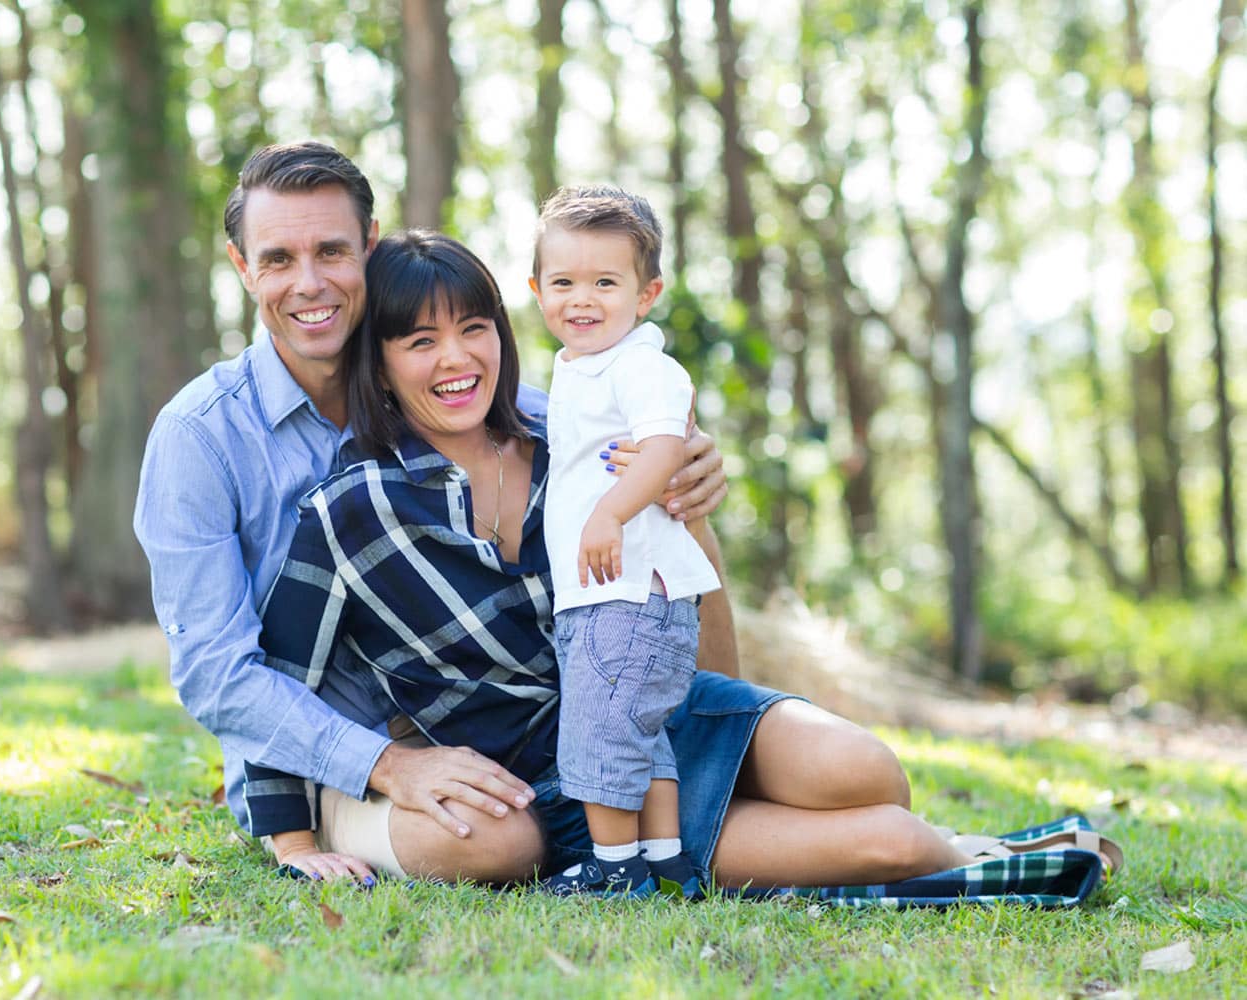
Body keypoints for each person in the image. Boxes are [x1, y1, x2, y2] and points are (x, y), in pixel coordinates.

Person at [247, 227, 983, 888]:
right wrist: (291, 840)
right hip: (578, 785)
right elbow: (280, 681)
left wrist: (689, 501)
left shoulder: (574, 443)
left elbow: (691, 610)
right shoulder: (350, 511)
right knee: (894, 842)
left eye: (475, 328)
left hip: (676, 710)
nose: (457, 357)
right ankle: (977, 857)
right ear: (378, 365)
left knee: (874, 775)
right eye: (419, 342)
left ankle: (857, 832)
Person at [133, 141, 729, 886]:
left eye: (332, 251)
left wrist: (678, 488)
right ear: (242, 266)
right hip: (325, 762)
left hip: (518, 741)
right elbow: (216, 673)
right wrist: (386, 765)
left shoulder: (518, 426)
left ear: (369, 249)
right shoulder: (201, 437)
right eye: (279, 258)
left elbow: (655, 599)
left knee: (825, 780)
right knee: (501, 840)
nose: (309, 282)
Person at [527, 185, 718, 898]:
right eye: (564, 282)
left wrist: (609, 514)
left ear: (647, 293)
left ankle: (614, 870)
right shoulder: (581, 366)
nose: (583, 299)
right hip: (612, 594)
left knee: (599, 731)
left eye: (606, 282)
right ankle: (665, 861)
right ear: (537, 289)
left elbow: (669, 442)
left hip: (628, 591)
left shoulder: (640, 364)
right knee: (641, 734)